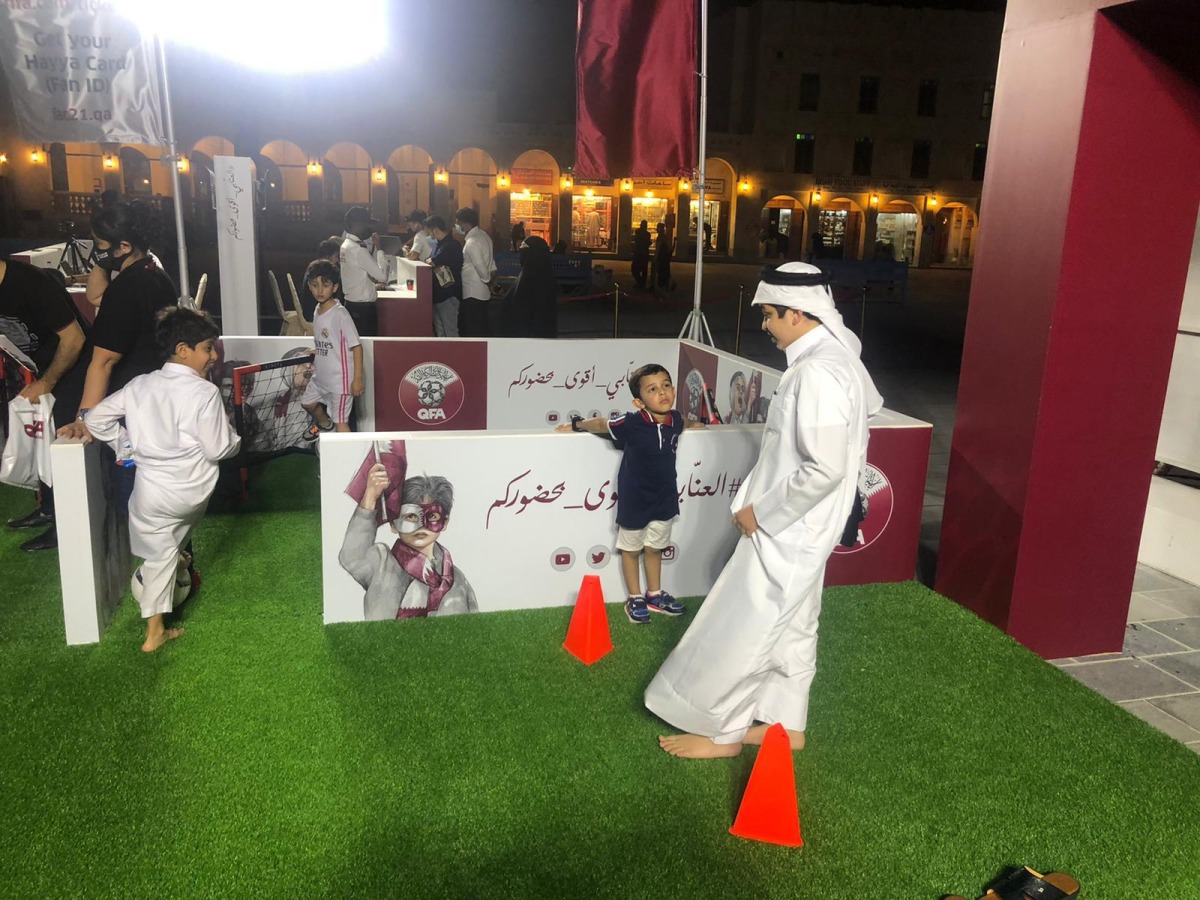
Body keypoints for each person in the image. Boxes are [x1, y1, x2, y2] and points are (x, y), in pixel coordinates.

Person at [645, 261, 883, 758]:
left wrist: (763, 513)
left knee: (749, 625)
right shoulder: (832, 361)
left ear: (798, 314)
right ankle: (788, 724)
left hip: (791, 526)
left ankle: (724, 733)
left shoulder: (818, 372)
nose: (765, 326)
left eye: (770, 315)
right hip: (806, 524)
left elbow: (826, 468)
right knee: (795, 622)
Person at [83, 307, 241, 651]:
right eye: (207, 348)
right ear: (183, 349)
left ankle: (156, 627)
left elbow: (96, 420)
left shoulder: (140, 384)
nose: (212, 356)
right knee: (167, 550)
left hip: (149, 493)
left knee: (159, 555)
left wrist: (126, 447)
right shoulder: (204, 393)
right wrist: (235, 440)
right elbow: (217, 449)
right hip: (190, 492)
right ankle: (156, 627)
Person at [53, 200, 177, 549]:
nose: (97, 254)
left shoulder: (128, 289)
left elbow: (103, 362)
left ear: (124, 246)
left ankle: (154, 558)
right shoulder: (154, 272)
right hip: (151, 395)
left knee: (133, 485)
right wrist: (104, 260)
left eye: (102, 247)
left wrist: (85, 418)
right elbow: (95, 294)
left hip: (128, 403)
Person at [557, 364, 704, 624]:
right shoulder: (632, 423)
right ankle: (635, 597)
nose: (662, 393)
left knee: (655, 548)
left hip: (665, 500)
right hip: (635, 501)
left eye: (666, 385)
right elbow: (603, 423)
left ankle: (654, 594)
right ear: (639, 401)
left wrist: (701, 426)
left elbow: (687, 422)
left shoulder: (676, 420)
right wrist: (577, 425)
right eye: (653, 389)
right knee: (631, 549)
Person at [1, 259, 87, 549]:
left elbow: (74, 340)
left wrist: (47, 382)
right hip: (37, 368)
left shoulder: (30, 283)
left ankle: (66, 529)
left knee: (61, 446)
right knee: (40, 442)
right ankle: (49, 509)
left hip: (74, 370)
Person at [341, 442, 479, 620]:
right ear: (393, 524)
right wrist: (370, 495)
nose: (421, 526)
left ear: (444, 523)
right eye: (411, 517)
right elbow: (352, 556)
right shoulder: (382, 564)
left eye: (433, 517)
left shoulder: (457, 580)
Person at [300, 260, 362, 433]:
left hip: (339, 383)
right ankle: (326, 426)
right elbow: (328, 340)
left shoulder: (340, 314)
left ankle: (352, 458)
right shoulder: (317, 310)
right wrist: (318, 351)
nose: (319, 290)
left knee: (341, 423)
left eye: (325, 285)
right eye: (315, 285)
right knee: (307, 403)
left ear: (335, 287)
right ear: (309, 286)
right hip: (321, 379)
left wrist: (357, 379)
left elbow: (356, 346)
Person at [339, 206, 387, 337]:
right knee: (367, 347)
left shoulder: (345, 245)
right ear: (357, 225)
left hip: (351, 304)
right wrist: (379, 248)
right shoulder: (358, 249)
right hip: (363, 310)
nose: (369, 228)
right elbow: (382, 276)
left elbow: (359, 274)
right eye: (366, 224)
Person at [501, 235, 557, 338]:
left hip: (531, 336)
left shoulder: (535, 278)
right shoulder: (532, 274)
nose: (521, 256)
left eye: (524, 252)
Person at [454, 207, 497, 337]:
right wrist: (492, 283)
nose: (457, 226)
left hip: (472, 292)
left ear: (466, 224)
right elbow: (491, 262)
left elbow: (481, 269)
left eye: (458, 223)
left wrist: (489, 283)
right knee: (481, 326)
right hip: (483, 293)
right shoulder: (484, 236)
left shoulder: (472, 242)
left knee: (472, 329)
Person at [427, 216, 463, 338]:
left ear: (435, 229)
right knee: (440, 331)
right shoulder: (440, 245)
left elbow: (433, 261)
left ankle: (455, 355)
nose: (428, 234)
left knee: (450, 330)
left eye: (429, 231)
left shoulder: (451, 245)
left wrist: (430, 261)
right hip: (439, 294)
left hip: (448, 295)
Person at [298, 237, 343, 321]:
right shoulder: (324, 270)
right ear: (328, 257)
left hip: (309, 310)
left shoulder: (315, 266)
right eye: (336, 256)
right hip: (315, 314)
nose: (337, 259)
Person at [654, 222, 674, 294]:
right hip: (665, 258)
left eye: (658, 227)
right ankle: (666, 285)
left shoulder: (661, 237)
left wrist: (656, 258)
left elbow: (658, 248)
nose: (656, 229)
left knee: (661, 272)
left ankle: (662, 287)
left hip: (662, 258)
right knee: (665, 272)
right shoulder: (665, 237)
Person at [631, 220, 651, 290]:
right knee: (643, 270)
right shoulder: (646, 234)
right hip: (643, 253)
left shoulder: (639, 232)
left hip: (639, 253)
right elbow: (648, 242)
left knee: (636, 269)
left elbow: (636, 241)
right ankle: (641, 283)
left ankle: (640, 283)